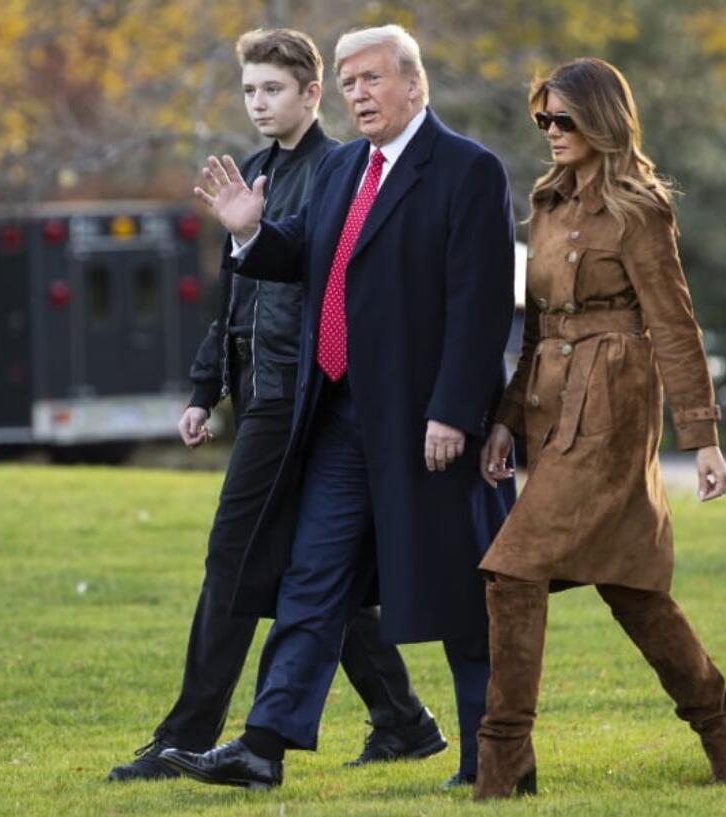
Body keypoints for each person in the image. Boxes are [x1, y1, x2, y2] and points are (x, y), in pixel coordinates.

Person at [159, 24, 516, 791]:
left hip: (427, 423)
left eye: (373, 79)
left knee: (460, 591)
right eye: (349, 82)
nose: (358, 94)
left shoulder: (467, 170)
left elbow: (480, 304)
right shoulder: (344, 167)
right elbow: (305, 256)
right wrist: (251, 232)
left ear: (414, 85)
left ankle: (494, 756)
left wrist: (455, 410)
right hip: (338, 420)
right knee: (311, 579)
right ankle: (261, 746)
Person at [107, 28, 446, 783]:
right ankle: (404, 720)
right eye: (250, 91)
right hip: (258, 391)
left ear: (309, 93)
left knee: (232, 556)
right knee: (312, 569)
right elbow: (234, 298)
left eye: (272, 90)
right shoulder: (253, 173)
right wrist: (205, 387)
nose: (259, 104)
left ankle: (182, 736)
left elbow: (335, 293)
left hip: (301, 397)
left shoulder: (338, 171)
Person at [472, 57, 726, 800]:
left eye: (564, 119)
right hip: (551, 406)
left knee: (512, 569)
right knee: (631, 587)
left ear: (604, 120)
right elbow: (537, 325)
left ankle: (503, 757)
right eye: (542, 118)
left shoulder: (641, 210)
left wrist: (703, 436)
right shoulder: (545, 204)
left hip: (612, 409)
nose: (550, 132)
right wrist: (508, 419)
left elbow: (674, 325)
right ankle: (724, 722)